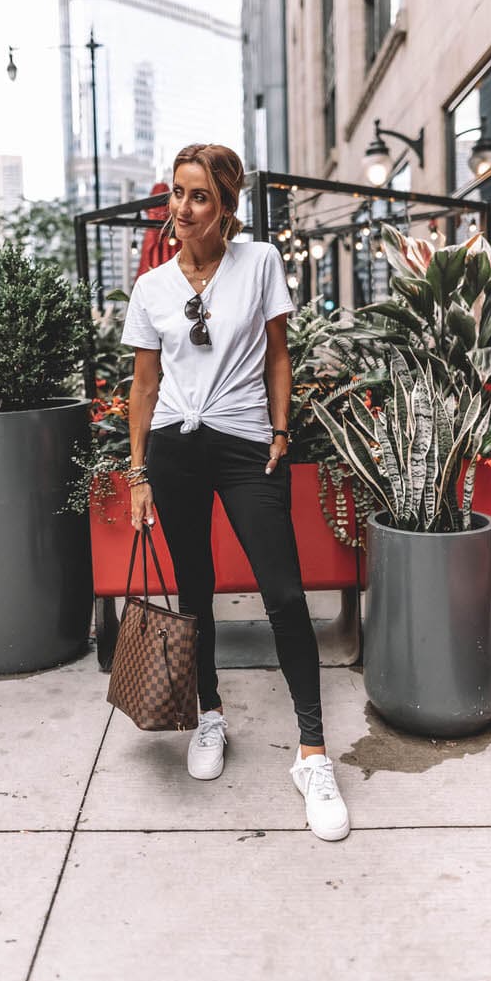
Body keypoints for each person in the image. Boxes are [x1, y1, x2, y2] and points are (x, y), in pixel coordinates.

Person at [121, 143, 350, 842]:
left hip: (248, 444)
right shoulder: (152, 287)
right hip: (173, 450)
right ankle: (210, 715)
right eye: (176, 196)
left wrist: (281, 431)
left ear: (225, 208)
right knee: (195, 590)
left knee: (281, 591)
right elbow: (142, 384)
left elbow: (279, 353)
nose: (181, 211)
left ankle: (312, 755)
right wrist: (136, 473)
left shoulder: (258, 264)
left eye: (198, 198)